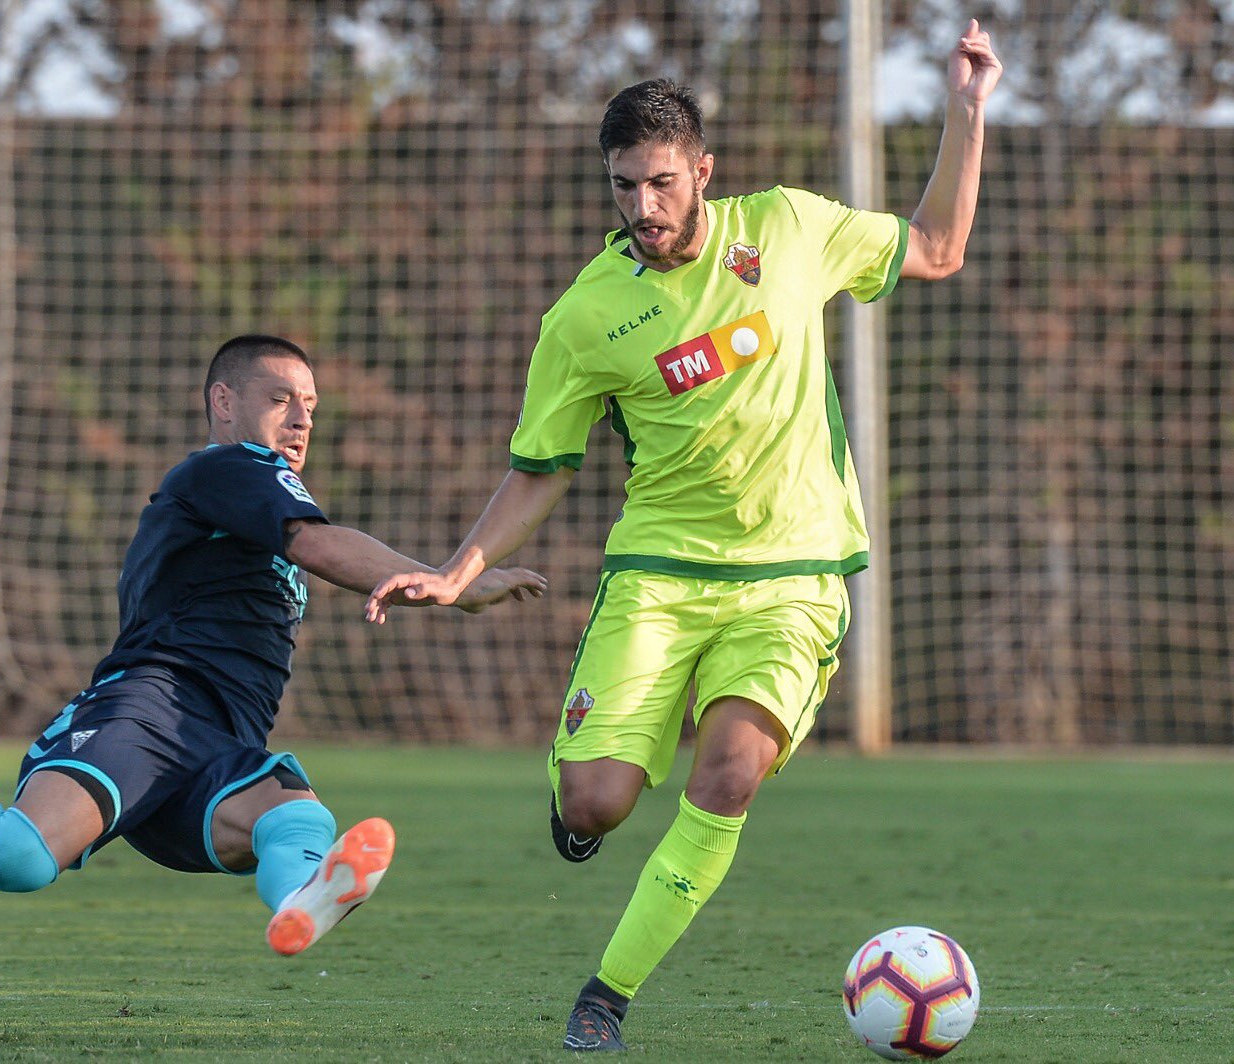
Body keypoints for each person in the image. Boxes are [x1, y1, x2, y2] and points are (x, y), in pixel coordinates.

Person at [365, 23, 1003, 1051]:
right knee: (599, 801)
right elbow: (541, 467)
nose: (643, 208)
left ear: (703, 170)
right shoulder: (586, 314)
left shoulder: (790, 228)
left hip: (795, 574)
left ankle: (605, 994)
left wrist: (967, 109)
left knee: (728, 775)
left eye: (662, 183)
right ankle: (577, 808)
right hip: (658, 576)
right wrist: (456, 570)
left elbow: (935, 249)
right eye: (623, 187)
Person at [0, 334, 545, 957]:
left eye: (311, 405)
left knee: (291, 816)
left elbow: (307, 540)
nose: (303, 420)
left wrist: (448, 579)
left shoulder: (252, 493)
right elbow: (319, 545)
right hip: (149, 710)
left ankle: (306, 900)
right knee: (18, 859)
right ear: (224, 401)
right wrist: (453, 579)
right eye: (282, 400)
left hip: (222, 741)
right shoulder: (229, 468)